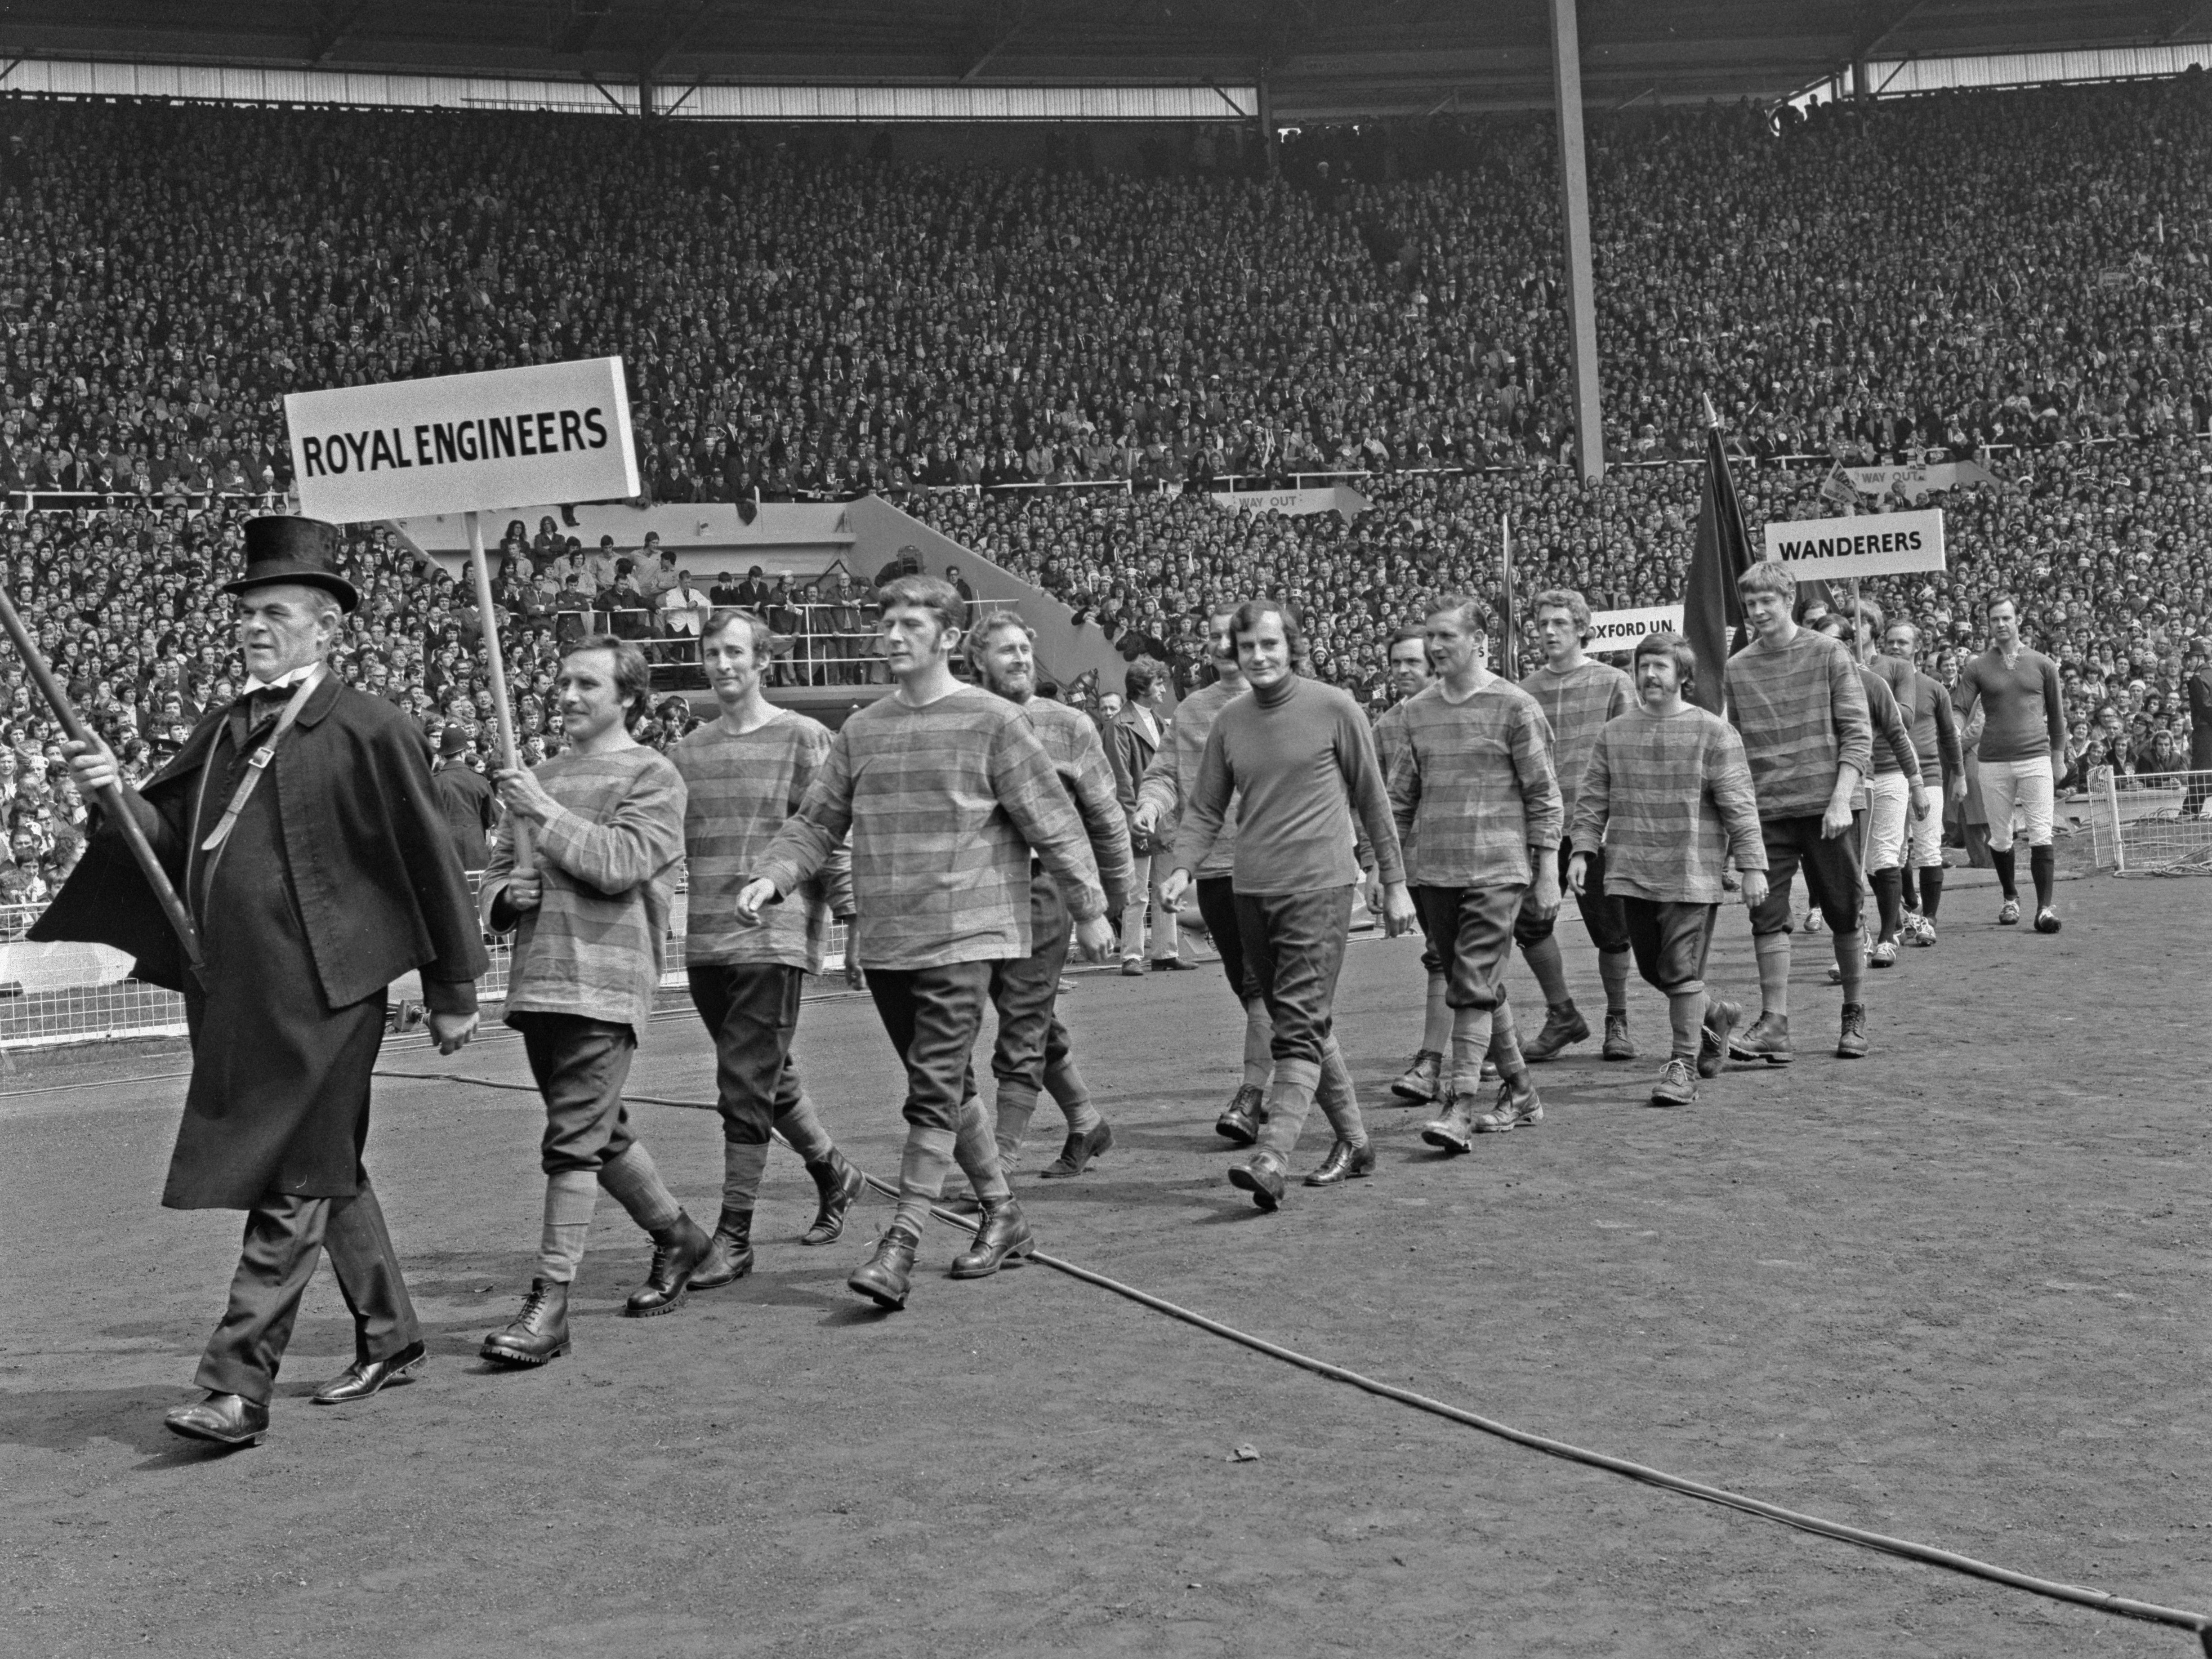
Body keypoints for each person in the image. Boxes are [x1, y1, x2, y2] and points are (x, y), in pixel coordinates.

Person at [32, 516, 486, 1446]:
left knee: (295, 1176)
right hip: (238, 992)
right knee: (325, 1164)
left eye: (276, 612)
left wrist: (454, 987)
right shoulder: (225, 726)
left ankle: (237, 1386)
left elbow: (429, 859)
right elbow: (169, 849)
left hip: (331, 994)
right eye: (247, 612)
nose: (254, 626)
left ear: (327, 627)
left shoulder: (370, 726)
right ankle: (394, 1336)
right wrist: (111, 789)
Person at [735, 576, 1112, 1311]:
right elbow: (817, 823)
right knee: (951, 1086)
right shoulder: (863, 730)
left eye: (912, 623)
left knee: (932, 1084)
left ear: (946, 637)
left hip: (966, 934)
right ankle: (1003, 1213)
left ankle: (900, 1241)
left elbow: (1053, 823)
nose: (894, 634)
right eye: (886, 621)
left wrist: (1091, 906)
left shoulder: (997, 722)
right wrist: (773, 877)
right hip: (886, 942)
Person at [477, 635, 707, 1366]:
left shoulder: (654, 776)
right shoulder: (535, 777)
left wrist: (543, 812)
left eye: (588, 685)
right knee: (598, 1133)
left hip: (606, 983)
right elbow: (494, 878)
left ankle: (551, 1301)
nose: (569, 695)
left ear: (629, 699)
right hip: (539, 980)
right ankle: (679, 1237)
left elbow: (623, 865)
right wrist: (505, 902)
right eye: (565, 682)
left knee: (573, 1138)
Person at [1162, 598, 1414, 1210]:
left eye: (1271, 645)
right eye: (1249, 647)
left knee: (1295, 1023)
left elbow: (1373, 801)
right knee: (1301, 1017)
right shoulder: (1230, 720)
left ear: (1293, 646)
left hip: (1320, 886)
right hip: (1253, 889)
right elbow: (1204, 809)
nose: (1259, 657)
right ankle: (1356, 1142)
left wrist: (1395, 880)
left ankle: (1274, 1152)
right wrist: (1181, 868)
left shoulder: (1335, 707)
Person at [669, 610, 866, 1288]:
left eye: (735, 652)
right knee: (768, 1077)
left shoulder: (805, 736)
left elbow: (825, 832)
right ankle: (835, 1173)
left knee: (743, 1085)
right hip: (706, 939)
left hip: (774, 937)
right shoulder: (686, 752)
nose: (724, 664)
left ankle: (735, 1235)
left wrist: (853, 916)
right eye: (713, 652)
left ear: (763, 662)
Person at [1383, 597, 1562, 1151]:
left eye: (1446, 637)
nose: (1435, 647)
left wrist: (1548, 868)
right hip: (1436, 871)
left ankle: (1458, 1104)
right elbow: (1399, 800)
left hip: (1498, 868)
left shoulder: (1516, 706)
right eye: (1430, 637)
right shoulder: (1417, 711)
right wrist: (1385, 872)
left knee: (1471, 983)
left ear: (1479, 642)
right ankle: (1523, 1091)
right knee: (1478, 984)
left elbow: (1544, 795)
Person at [965, 610, 1135, 1183]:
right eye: (1003, 650)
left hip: (1043, 889)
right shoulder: (962, 722)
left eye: (1023, 649)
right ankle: (1087, 1122)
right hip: (977, 893)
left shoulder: (1068, 725)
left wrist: (1109, 904)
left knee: (1020, 1023)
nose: (1018, 659)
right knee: (1032, 1014)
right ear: (976, 664)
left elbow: (1107, 818)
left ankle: (1001, 1161)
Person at [1570, 632, 1767, 1106]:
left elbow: (1739, 805)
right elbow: (1593, 797)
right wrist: (1581, 851)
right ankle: (1715, 1016)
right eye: (1643, 667)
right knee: (1657, 971)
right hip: (1632, 868)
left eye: (1660, 666)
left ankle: (1681, 1065)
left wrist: (1752, 866)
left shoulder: (1713, 732)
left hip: (1691, 871)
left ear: (1683, 676)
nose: (1650, 675)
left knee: (1678, 968)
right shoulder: (1615, 732)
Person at [1721, 560, 1875, 1065]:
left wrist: (1840, 798)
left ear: (1788, 600)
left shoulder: (1829, 652)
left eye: (1767, 601)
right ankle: (1776, 1024)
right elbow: (1737, 746)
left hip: (1828, 808)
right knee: (1766, 914)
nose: (1759, 611)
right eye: (1750, 604)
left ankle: (1853, 1012)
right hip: (1768, 811)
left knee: (1842, 910)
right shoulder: (1738, 667)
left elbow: (1857, 732)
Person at [1132, 603, 1274, 1145]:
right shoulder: (1192, 710)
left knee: (1263, 988)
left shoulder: (1287, 700)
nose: (1220, 644)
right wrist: (1150, 803)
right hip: (1216, 868)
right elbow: (1166, 773)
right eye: (1211, 636)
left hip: (1275, 865)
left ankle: (1252, 1095)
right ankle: (1295, 1076)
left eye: (1229, 636)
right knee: (1249, 987)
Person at [1513, 589, 1637, 1062]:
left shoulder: (1613, 683)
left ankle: (1617, 1020)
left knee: (1612, 932)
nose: (1548, 632)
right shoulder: (1524, 690)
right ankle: (1561, 1014)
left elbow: (1628, 754)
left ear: (1583, 629)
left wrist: (1613, 824)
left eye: (1559, 623)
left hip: (1596, 828)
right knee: (1530, 923)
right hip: (1543, 831)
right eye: (1542, 623)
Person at [1369, 624, 1453, 1105]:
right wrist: (1378, 868)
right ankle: (1471, 1058)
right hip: (1417, 865)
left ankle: (1435, 1061)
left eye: (1412, 663)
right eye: (1396, 662)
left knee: (1459, 959)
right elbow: (1372, 804)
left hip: (1473, 858)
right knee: (1449, 958)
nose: (1402, 671)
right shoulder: (1384, 728)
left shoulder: (1463, 713)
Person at [1956, 594, 2070, 932]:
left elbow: (2057, 717)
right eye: (1995, 620)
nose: (2001, 625)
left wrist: (2058, 756)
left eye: (2007, 618)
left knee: (2041, 832)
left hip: (2035, 757)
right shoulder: (1977, 666)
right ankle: (2010, 897)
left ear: (2018, 620)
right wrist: (1955, 725)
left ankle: (2045, 909)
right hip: (1992, 762)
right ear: (1988, 624)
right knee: (2002, 837)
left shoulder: (2043, 664)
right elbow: (1961, 706)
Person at [1880, 615, 1964, 946]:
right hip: (1888, 775)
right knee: (1895, 853)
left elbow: (1949, 736)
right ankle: (1906, 913)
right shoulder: (1877, 683)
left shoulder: (1933, 689)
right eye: (1892, 642)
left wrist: (1958, 775)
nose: (1897, 647)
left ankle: (1929, 918)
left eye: (1904, 642)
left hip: (1927, 775)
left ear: (1918, 648)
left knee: (1928, 848)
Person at [1106, 656, 1185, 973]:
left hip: (1164, 818)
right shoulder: (1118, 726)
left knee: (1166, 887)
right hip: (1138, 819)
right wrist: (1131, 822)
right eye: (1159, 684)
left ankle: (1165, 951)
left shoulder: (1160, 721)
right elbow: (1120, 780)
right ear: (1142, 688)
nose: (1164, 689)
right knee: (1137, 892)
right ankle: (1132, 955)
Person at [431, 722, 497, 872]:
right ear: (464, 752)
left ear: (442, 755)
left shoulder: (435, 782)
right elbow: (491, 819)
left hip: (447, 850)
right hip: (476, 847)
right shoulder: (480, 780)